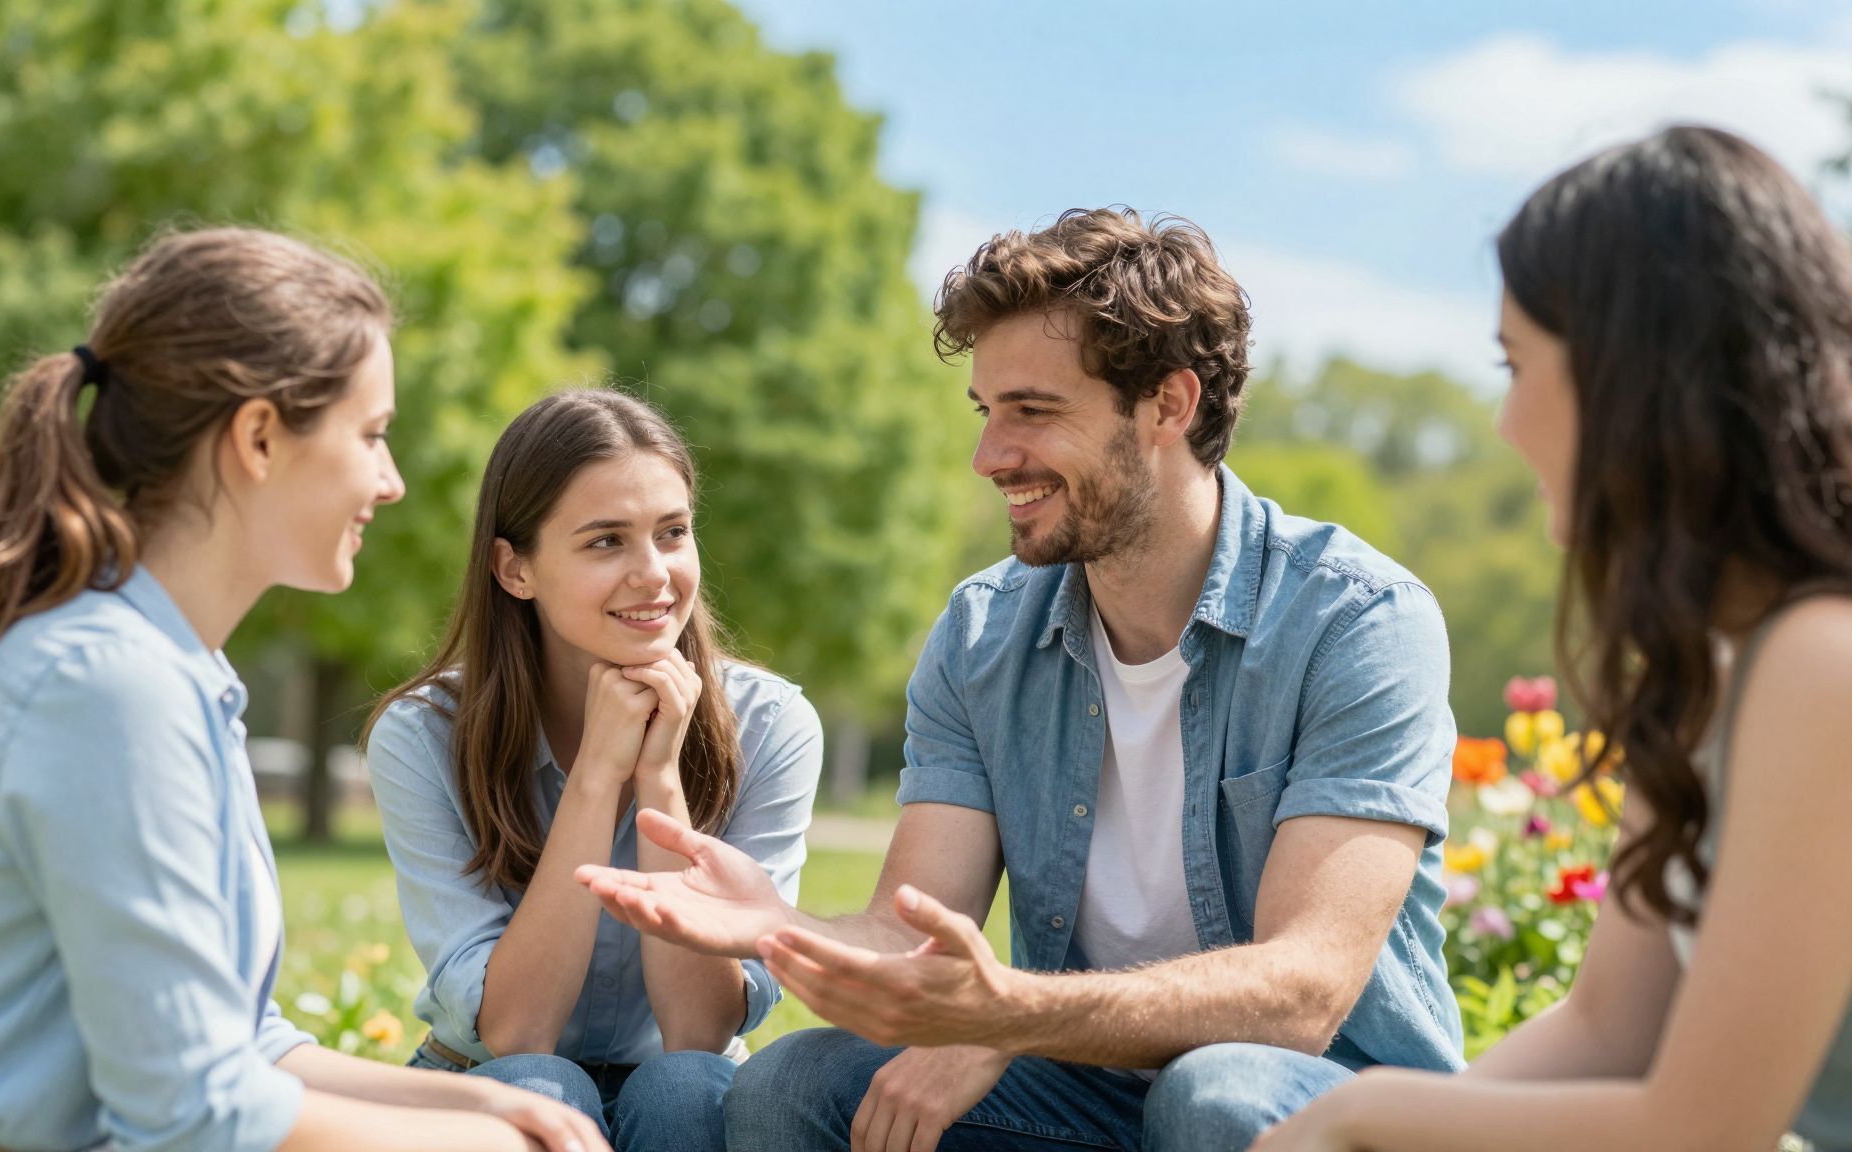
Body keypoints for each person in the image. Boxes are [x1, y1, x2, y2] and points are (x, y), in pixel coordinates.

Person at [580, 208, 1465, 1152]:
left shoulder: (1356, 621)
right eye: (988, 412)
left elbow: (1303, 996)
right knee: (796, 1087)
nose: (990, 456)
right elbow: (913, 934)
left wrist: (1010, 1018)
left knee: (1213, 1094)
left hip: (1330, 1099)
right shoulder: (981, 634)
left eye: (1033, 412)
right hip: (1084, 1086)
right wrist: (781, 925)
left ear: (1170, 405)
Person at [1254, 125, 1852, 1152]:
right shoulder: (1709, 666)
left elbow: (1705, 1127)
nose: (1502, 421)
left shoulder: (1832, 659)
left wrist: (1360, 1115)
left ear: (1632, 380)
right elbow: (1609, 1029)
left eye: (1516, 365)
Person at [0, 228, 609, 1152]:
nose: (390, 483)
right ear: (259, 437)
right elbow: (190, 1110)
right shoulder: (106, 687)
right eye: (372, 436)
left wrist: (482, 1104)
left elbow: (244, 1047)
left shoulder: (180, 676)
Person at [364, 388, 823, 1152]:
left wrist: (659, 778)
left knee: (686, 1090)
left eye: (672, 533)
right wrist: (595, 776)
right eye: (606, 541)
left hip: (687, 1096)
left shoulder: (772, 726)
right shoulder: (423, 736)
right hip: (488, 1082)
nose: (655, 575)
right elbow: (517, 1031)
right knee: (537, 1088)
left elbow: (698, 1032)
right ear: (515, 570)